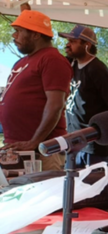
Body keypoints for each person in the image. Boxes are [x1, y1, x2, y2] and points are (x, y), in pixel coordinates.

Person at [0, 10, 71, 171]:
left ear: (36, 35)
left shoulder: (52, 59)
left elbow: (55, 105)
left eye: (19, 31)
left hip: (43, 151)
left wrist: (33, 142)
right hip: (18, 148)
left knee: (44, 196)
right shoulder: (21, 63)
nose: (14, 35)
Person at [62, 25, 108, 171]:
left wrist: (102, 134)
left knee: (98, 192)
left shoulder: (97, 70)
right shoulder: (72, 65)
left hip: (96, 149)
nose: (67, 44)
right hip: (75, 144)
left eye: (73, 41)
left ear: (87, 45)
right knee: (74, 190)